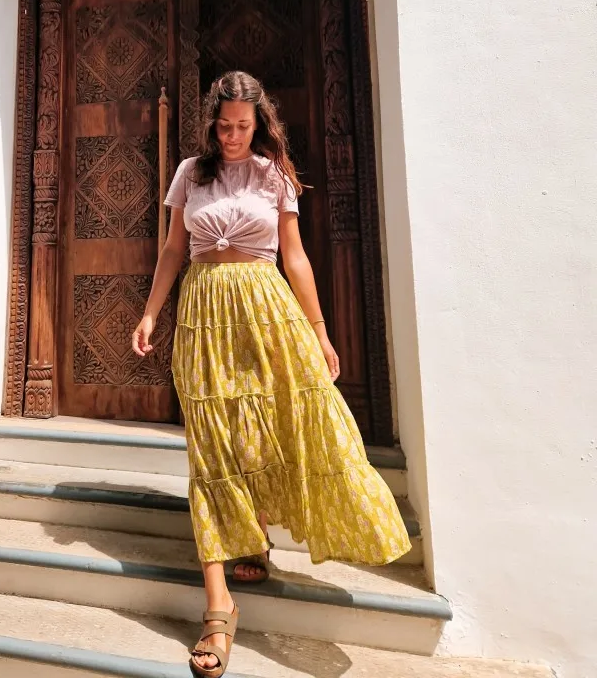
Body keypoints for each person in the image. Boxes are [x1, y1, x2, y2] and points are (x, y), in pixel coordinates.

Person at [132, 71, 410, 678]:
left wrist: (320, 331)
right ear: (211, 123)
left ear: (258, 125)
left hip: (265, 311)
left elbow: (296, 256)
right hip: (204, 312)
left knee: (264, 429)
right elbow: (174, 250)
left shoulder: (274, 175)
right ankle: (217, 607)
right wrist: (151, 312)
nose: (232, 136)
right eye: (224, 125)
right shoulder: (188, 173)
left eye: (243, 126)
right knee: (210, 450)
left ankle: (253, 535)